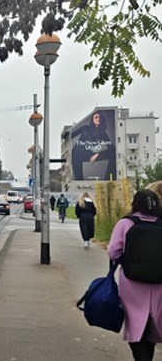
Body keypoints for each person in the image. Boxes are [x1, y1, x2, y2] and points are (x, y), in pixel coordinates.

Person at [108, 189, 162, 361]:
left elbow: (113, 252)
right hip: (159, 281)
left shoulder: (125, 223)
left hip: (132, 282)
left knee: (135, 323)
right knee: (153, 325)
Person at [70, 110, 116, 181]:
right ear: (92, 119)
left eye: (100, 117)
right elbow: (70, 135)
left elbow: (112, 148)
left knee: (113, 153)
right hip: (78, 153)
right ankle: (79, 184)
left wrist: (97, 154)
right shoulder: (85, 128)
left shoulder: (102, 134)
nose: (98, 119)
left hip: (89, 153)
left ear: (102, 119)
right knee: (79, 178)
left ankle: (109, 179)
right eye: (96, 117)